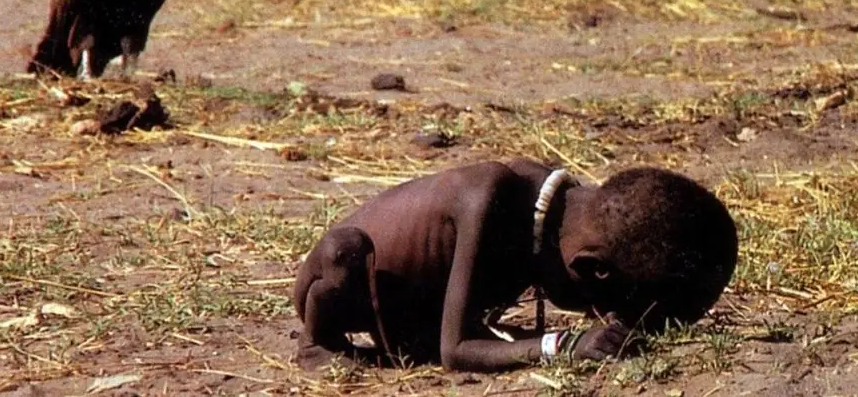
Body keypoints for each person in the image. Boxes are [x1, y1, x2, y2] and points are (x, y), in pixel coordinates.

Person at [293, 158, 738, 371]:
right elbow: (456, 351)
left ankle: (407, 338)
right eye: (603, 307)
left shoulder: (553, 214)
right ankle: (318, 346)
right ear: (590, 270)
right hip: (345, 284)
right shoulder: (488, 201)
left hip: (415, 310)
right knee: (342, 254)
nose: (601, 318)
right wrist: (561, 345)